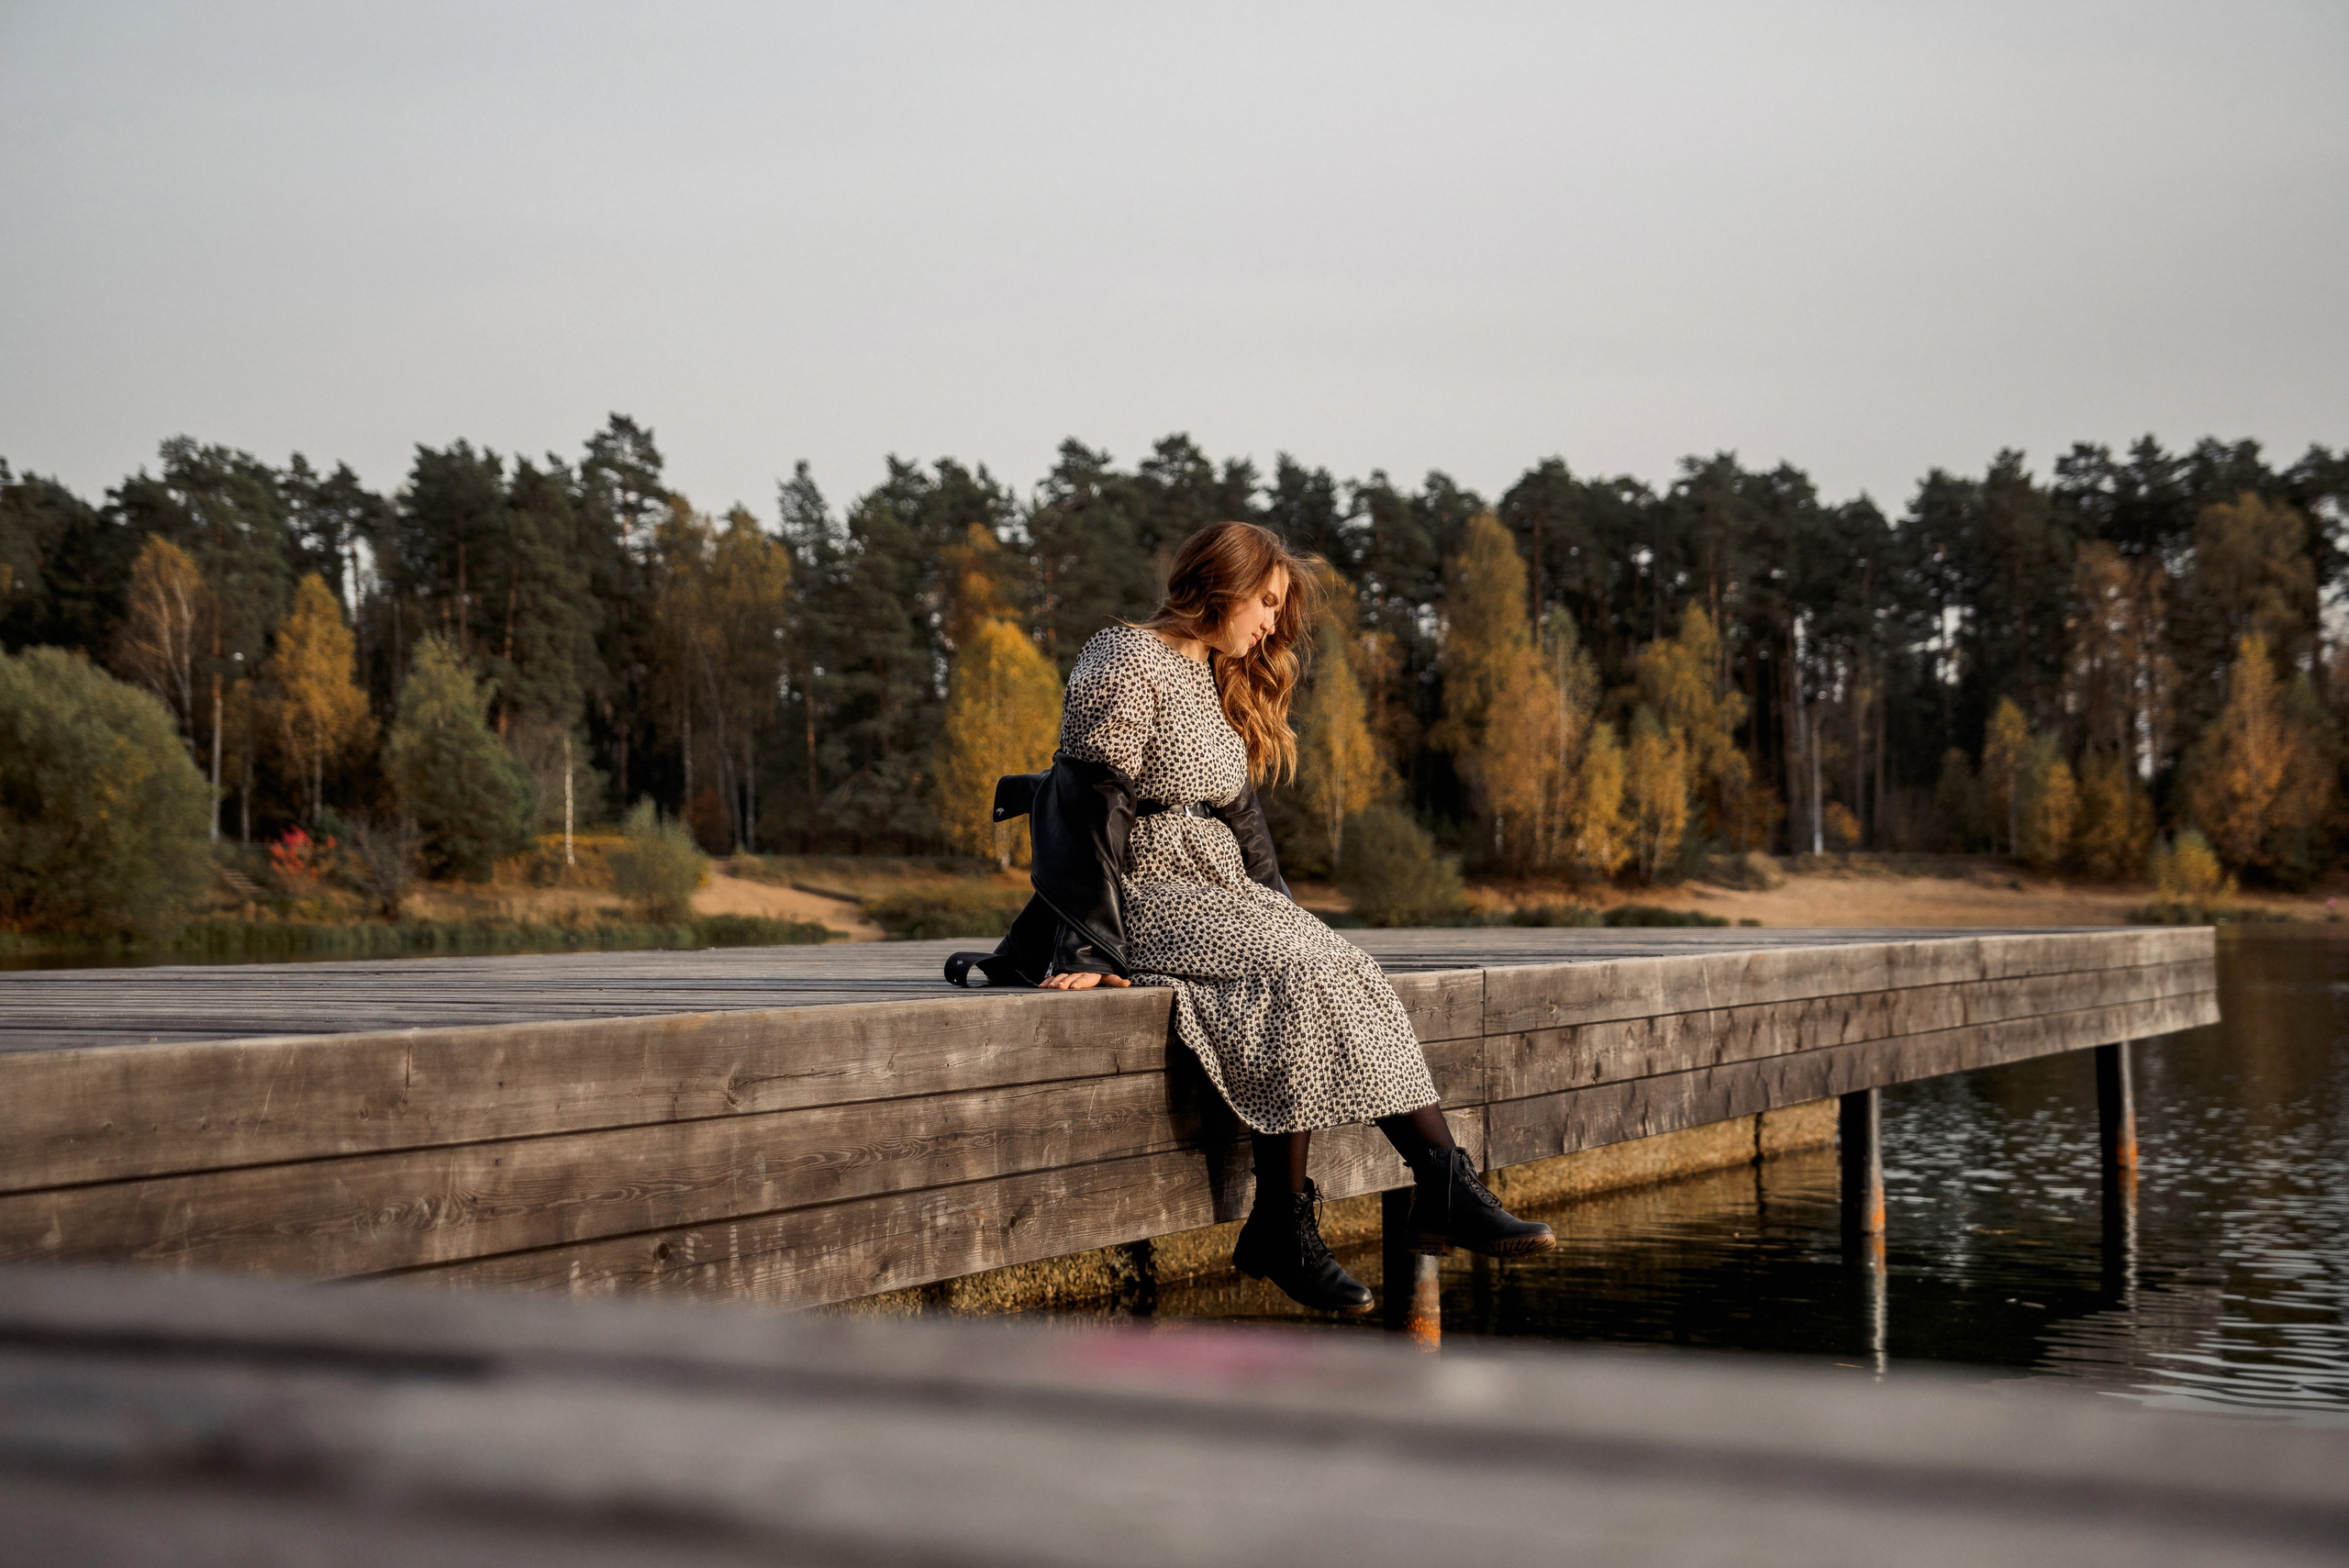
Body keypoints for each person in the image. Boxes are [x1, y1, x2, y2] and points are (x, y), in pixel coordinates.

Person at [950, 521, 1553, 1313]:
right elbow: (1086, 805)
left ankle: (1396, 1193)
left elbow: (1247, 833)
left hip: (1219, 889)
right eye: (1266, 602)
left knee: (1340, 966)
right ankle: (1323, 1216)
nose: (1273, 623)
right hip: (1145, 894)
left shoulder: (1210, 677)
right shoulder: (1123, 656)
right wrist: (1091, 941)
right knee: (1298, 970)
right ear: (1220, 586)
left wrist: (1287, 919)